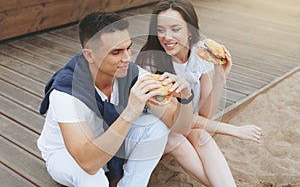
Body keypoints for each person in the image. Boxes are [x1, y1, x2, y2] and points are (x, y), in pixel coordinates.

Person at [37, 11, 195, 187]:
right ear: (89, 55)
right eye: (116, 52)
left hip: (111, 141)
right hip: (68, 154)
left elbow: (180, 126)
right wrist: (131, 111)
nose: (127, 58)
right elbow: (87, 163)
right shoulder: (66, 93)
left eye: (128, 48)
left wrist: (185, 98)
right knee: (94, 180)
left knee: (155, 126)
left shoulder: (132, 74)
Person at [136, 0, 263, 186]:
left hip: (184, 123)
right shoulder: (150, 64)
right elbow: (173, 120)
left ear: (190, 30)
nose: (167, 37)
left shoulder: (200, 55)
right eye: (160, 30)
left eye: (175, 29)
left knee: (201, 136)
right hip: (153, 128)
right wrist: (233, 130)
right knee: (176, 138)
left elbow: (205, 114)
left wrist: (220, 76)